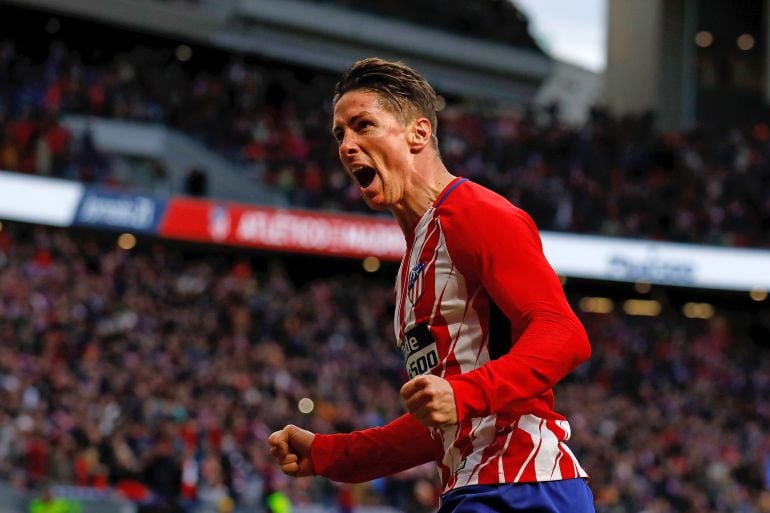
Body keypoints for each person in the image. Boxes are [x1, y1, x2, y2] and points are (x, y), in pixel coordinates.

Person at [268, 57, 595, 513]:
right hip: (473, 489)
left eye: (364, 126)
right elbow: (437, 425)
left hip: (523, 486)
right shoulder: (408, 275)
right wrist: (328, 453)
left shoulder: (476, 214)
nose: (347, 145)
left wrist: (463, 394)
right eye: (340, 134)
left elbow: (564, 334)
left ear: (418, 133)